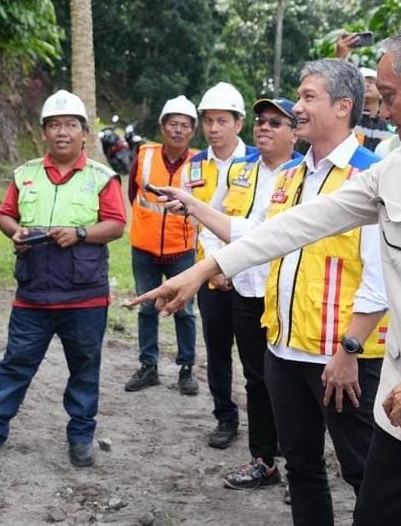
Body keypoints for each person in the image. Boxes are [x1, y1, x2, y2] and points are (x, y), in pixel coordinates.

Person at [134, 22, 401, 526]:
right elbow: (303, 223)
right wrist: (206, 267)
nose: (380, 110)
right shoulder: (398, 167)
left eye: (388, 96)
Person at [165, 62, 389, 520]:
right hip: (284, 351)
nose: (297, 107)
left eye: (308, 98)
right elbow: (258, 236)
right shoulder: (291, 175)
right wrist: (196, 207)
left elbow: (381, 275)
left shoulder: (374, 174)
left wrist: (350, 349)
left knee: (365, 473)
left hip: (341, 358)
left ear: (344, 107)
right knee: (303, 469)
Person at [0, 90, 126, 469]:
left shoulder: (102, 178)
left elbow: (117, 225)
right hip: (33, 296)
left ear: (84, 133)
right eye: (54, 125)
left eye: (70, 125)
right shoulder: (24, 174)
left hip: (84, 297)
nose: (62, 133)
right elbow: (5, 215)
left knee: (85, 368)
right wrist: (15, 232)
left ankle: (80, 437)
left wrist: (81, 234)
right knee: (14, 365)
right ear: (44, 132)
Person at [215, 97, 300, 489]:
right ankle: (264, 461)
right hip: (246, 290)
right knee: (256, 379)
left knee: (297, 383)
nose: (263, 128)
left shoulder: (306, 173)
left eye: (275, 123)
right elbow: (215, 218)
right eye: (260, 121)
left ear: (295, 132)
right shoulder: (240, 169)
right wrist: (220, 262)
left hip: (288, 294)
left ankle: (302, 470)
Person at [184, 81, 257, 449]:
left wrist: (232, 265)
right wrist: (216, 268)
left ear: (239, 123)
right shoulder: (195, 165)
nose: (214, 128)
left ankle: (266, 426)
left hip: (251, 276)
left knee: (257, 358)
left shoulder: (258, 162)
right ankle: (225, 417)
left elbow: (258, 221)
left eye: (221, 121)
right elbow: (198, 222)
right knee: (216, 351)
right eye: (209, 121)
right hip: (210, 276)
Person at [124, 96, 200, 395]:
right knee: (145, 309)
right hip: (144, 248)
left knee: (184, 311)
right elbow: (133, 192)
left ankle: (186, 369)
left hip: (182, 251)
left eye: (184, 126)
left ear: (192, 131)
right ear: (162, 126)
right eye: (173, 124)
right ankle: (148, 366)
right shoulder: (145, 155)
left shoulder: (199, 161)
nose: (178, 131)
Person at [354, 67, 395, 150]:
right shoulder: (349, 120)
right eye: (362, 82)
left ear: (381, 91)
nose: (366, 85)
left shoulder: (390, 124)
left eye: (371, 81)